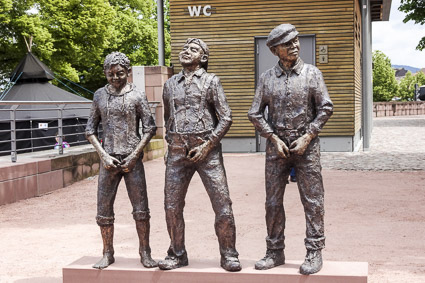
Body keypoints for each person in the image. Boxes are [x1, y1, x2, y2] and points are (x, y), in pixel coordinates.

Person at [248, 24, 333, 275]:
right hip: (277, 149)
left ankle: (314, 251)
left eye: (296, 40)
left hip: (306, 147)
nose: (295, 45)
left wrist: (308, 136)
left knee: (312, 199)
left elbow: (325, 107)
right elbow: (254, 113)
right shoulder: (266, 79)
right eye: (288, 43)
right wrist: (273, 138)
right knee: (273, 202)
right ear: (276, 50)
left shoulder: (312, 74)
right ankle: (275, 251)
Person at [159, 38, 242, 272]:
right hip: (177, 151)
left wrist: (207, 146)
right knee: (171, 206)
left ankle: (229, 254)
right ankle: (177, 253)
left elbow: (226, 117)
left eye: (193, 49)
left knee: (222, 204)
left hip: (208, 151)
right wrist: (171, 145)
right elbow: (168, 118)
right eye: (185, 48)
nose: (186, 52)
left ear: (203, 58)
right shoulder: (169, 85)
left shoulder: (211, 82)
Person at [85, 52, 157, 269]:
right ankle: (107, 252)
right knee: (103, 210)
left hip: (132, 160)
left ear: (128, 72)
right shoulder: (99, 95)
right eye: (110, 74)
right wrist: (103, 155)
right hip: (108, 160)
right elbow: (90, 129)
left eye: (120, 73)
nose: (115, 78)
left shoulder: (137, 95)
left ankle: (145, 252)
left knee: (141, 209)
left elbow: (150, 127)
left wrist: (135, 155)